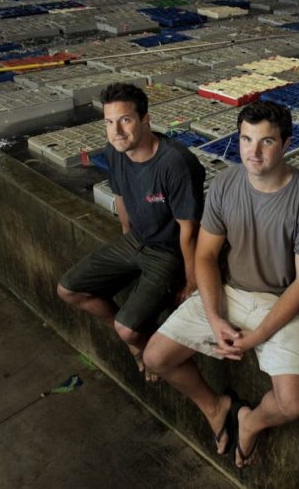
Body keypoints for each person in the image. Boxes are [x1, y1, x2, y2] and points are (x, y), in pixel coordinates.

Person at [143, 101, 299, 467]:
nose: (253, 152)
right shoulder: (227, 183)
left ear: (287, 144)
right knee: (155, 356)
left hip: (282, 300)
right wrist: (215, 318)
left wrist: (258, 335)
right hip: (231, 291)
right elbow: (205, 256)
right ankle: (215, 407)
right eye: (246, 139)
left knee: (293, 402)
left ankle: (250, 421)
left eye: (266, 142)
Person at [57, 82, 205, 381]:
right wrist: (126, 237)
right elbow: (121, 197)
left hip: (168, 252)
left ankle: (137, 341)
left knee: (126, 327)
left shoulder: (175, 163)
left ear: (145, 119)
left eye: (125, 120)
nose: (117, 132)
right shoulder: (115, 151)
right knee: (68, 289)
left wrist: (191, 281)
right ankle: (139, 340)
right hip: (136, 241)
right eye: (109, 122)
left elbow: (188, 229)